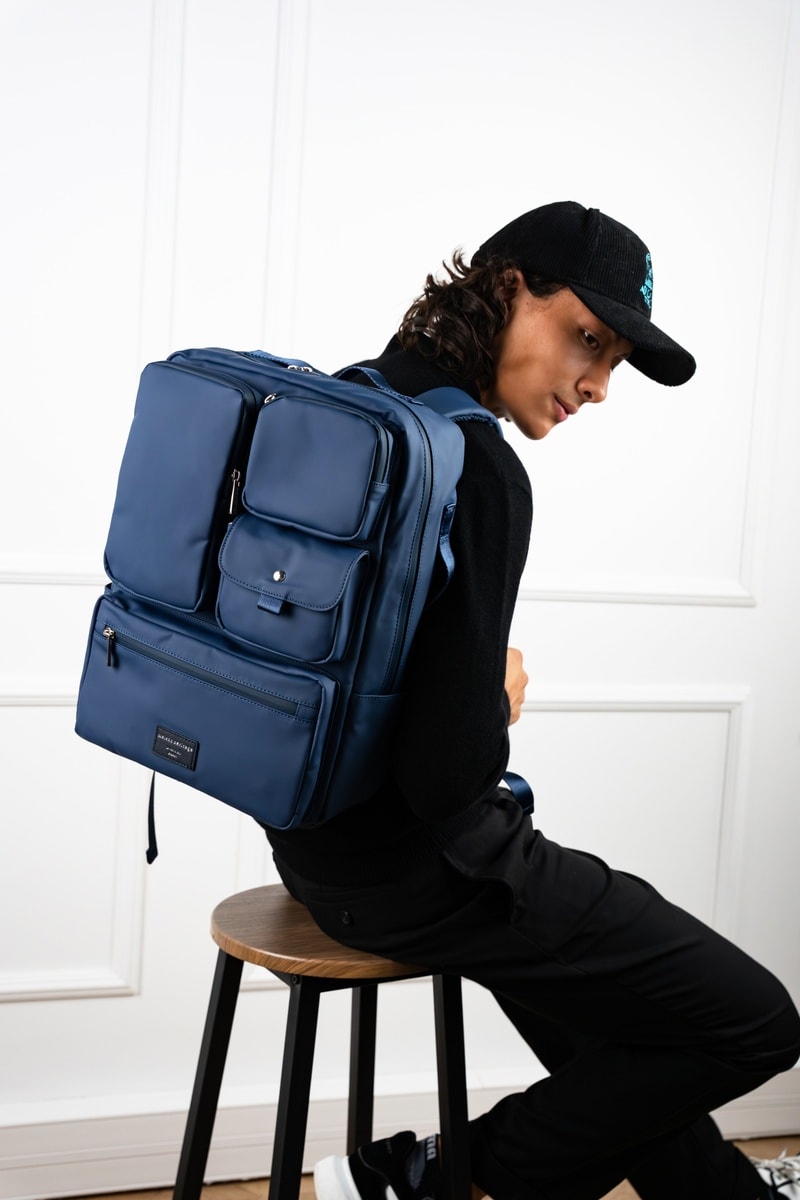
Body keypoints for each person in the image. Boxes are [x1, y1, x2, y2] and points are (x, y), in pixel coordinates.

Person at [263, 202, 800, 1200]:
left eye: (615, 364)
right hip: (430, 875)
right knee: (756, 1021)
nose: (597, 386)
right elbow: (447, 777)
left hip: (313, 852)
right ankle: (417, 1179)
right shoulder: (478, 467)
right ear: (510, 287)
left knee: (616, 1032)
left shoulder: (349, 401)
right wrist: (494, 694)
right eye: (588, 340)